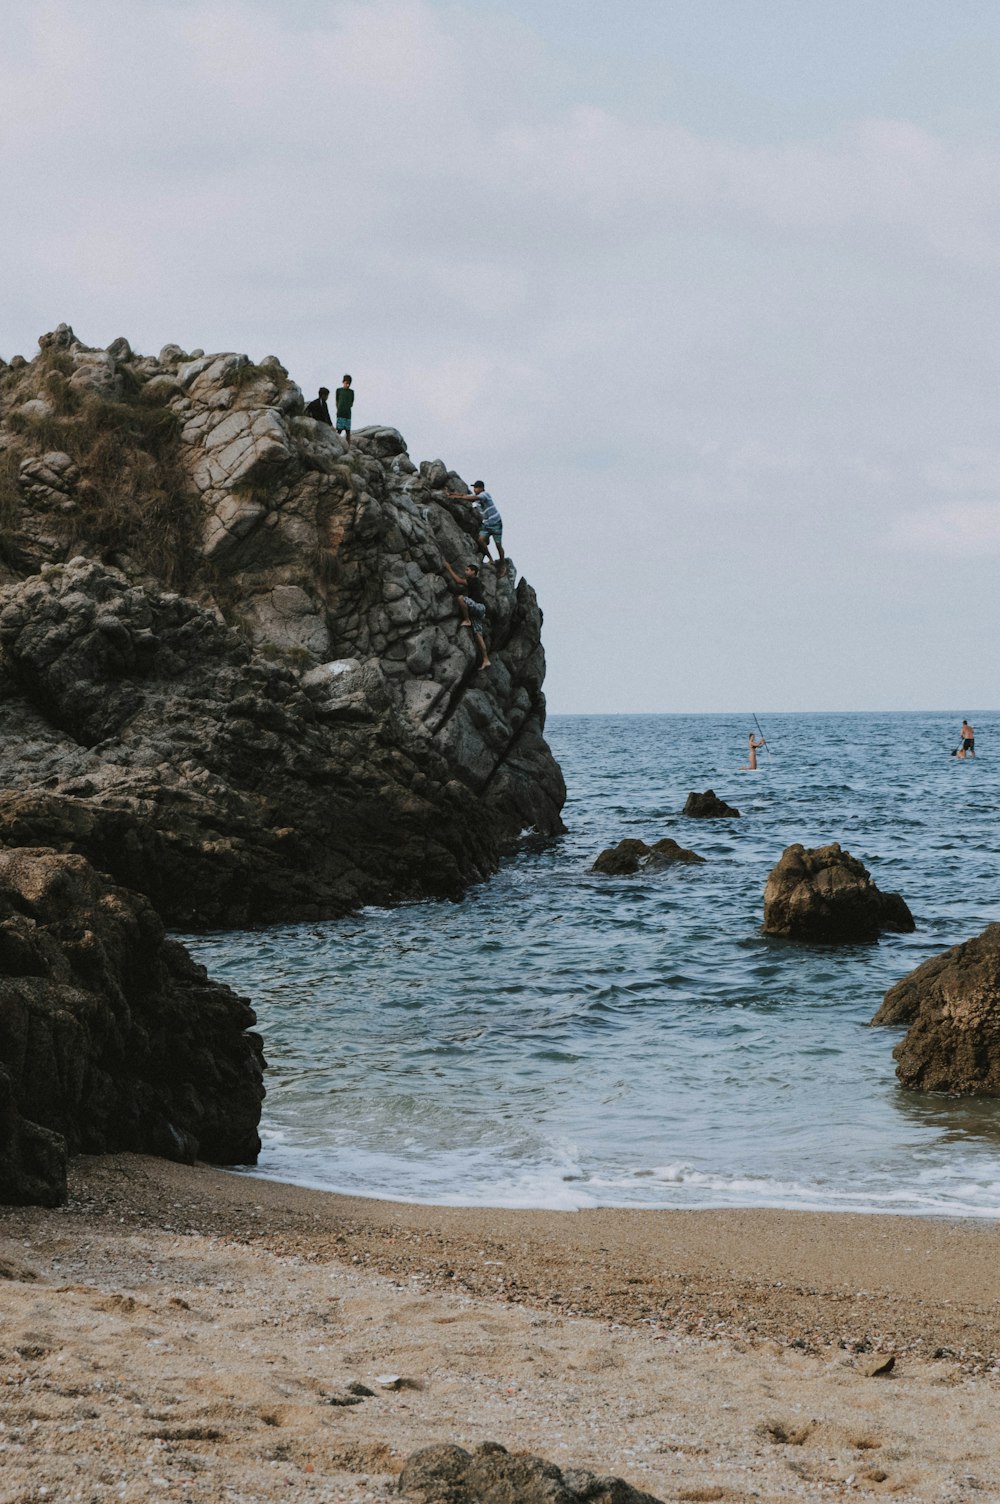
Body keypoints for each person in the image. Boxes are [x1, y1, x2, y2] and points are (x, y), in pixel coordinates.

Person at [446, 480, 506, 574]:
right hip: (486, 524)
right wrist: (453, 495)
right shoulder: (478, 501)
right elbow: (464, 495)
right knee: (481, 540)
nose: (474, 489)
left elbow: (472, 498)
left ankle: (503, 564)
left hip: (496, 523)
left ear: (481, 488)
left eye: (476, 488)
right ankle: (490, 559)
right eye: (474, 488)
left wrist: (460, 497)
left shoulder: (485, 495)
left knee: (498, 545)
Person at [442, 558, 490, 669]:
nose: (465, 572)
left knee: (461, 599)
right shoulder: (475, 582)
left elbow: (458, 581)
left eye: (467, 570)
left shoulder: (474, 580)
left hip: (478, 607)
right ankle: (486, 659)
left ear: (473, 572)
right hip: (478, 611)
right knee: (478, 634)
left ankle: (467, 620)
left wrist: (449, 568)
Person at [336, 374, 354, 445]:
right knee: (339, 430)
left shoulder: (351, 392)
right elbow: (337, 401)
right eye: (346, 383)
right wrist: (338, 410)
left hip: (348, 414)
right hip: (340, 413)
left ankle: (348, 447)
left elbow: (351, 403)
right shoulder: (339, 390)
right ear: (343, 382)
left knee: (348, 432)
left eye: (349, 384)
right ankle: (336, 444)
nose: (347, 385)